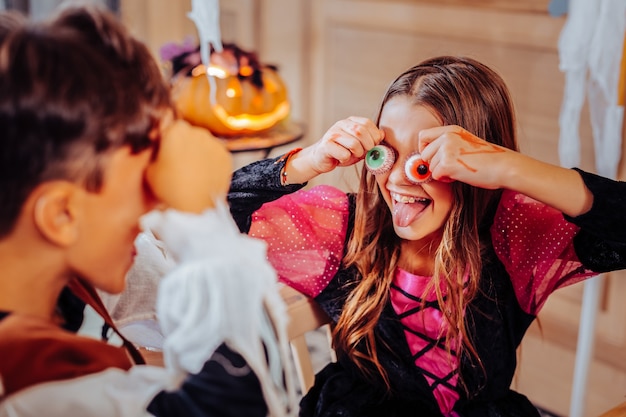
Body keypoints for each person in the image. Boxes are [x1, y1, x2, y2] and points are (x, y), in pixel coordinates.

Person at [227, 55, 626, 416]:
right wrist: (308, 160)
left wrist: (512, 169)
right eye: (385, 152)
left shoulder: (514, 236)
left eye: (425, 161)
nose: (397, 178)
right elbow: (214, 216)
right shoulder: (343, 228)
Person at [0, 5, 295, 417]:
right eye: (143, 180)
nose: (157, 202)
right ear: (62, 215)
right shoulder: (26, 384)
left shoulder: (46, 330)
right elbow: (252, 396)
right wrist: (199, 220)